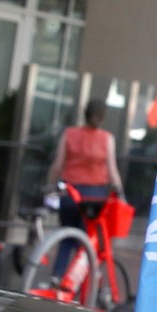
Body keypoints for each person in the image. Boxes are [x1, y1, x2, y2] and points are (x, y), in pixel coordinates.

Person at [47, 98, 124, 250]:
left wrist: (50, 187)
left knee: (66, 238)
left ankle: (57, 273)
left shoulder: (69, 134)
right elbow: (112, 170)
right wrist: (121, 195)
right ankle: (84, 272)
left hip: (69, 192)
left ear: (85, 114)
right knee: (86, 243)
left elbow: (57, 165)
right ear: (103, 117)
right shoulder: (107, 139)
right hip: (94, 197)